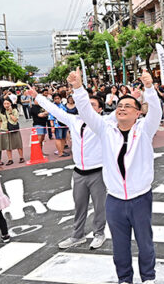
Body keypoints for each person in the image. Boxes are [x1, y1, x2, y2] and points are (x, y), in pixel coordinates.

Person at [70, 67, 161, 284]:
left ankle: (149, 279)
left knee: (144, 241)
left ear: (138, 112)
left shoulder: (144, 129)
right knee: (120, 244)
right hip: (115, 199)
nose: (122, 108)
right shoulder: (105, 129)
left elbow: (156, 112)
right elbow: (87, 113)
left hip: (140, 197)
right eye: (119, 106)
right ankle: (125, 281)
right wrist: (78, 88)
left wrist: (149, 88)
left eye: (128, 106)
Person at [30, 87, 110, 250]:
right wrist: (38, 96)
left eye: (93, 105)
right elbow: (54, 109)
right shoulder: (74, 121)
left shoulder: (104, 123)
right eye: (86, 105)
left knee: (99, 206)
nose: (88, 108)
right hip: (79, 172)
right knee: (79, 206)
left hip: (98, 172)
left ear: (100, 109)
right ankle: (77, 235)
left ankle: (99, 233)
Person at [0, 98, 24, 165]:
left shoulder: (14, 110)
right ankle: (10, 159)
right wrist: (2, 127)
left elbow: (15, 119)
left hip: (14, 128)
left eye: (8, 103)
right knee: (7, 145)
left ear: (11, 104)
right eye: (4, 104)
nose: (6, 105)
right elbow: (0, 120)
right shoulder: (1, 111)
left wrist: (10, 113)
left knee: (18, 143)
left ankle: (21, 157)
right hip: (5, 130)